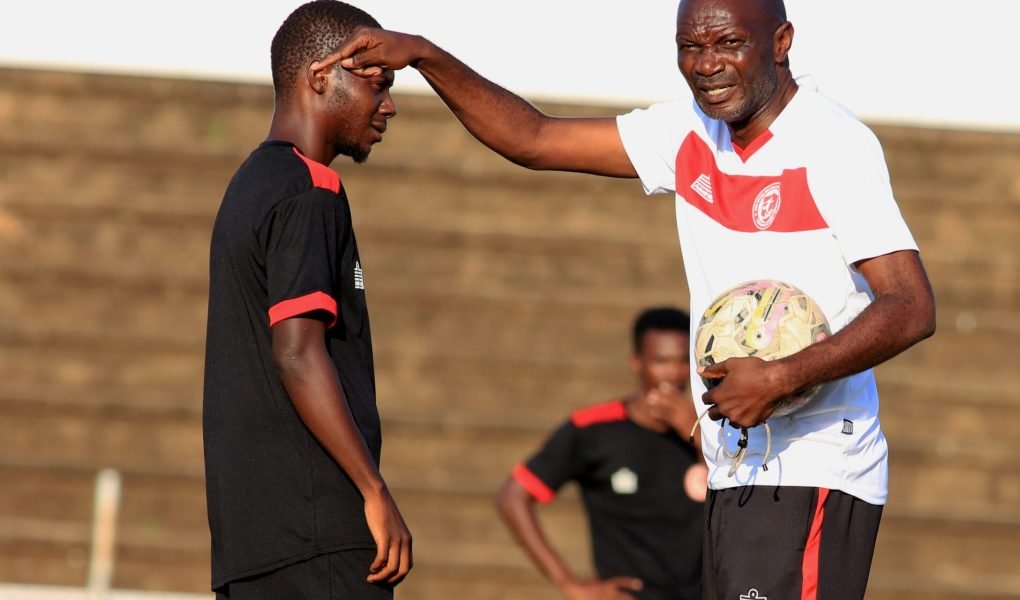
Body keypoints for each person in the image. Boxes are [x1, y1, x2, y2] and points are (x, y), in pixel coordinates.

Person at [313, 0, 937, 597]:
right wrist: (425, 55)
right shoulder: (688, 132)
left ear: (781, 42)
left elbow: (909, 306)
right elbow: (532, 138)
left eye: (728, 43)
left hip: (815, 466)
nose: (707, 64)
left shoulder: (834, 144)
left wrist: (781, 376)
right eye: (689, 47)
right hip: (735, 468)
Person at [202, 2, 412, 598]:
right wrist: (373, 490)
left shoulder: (250, 183)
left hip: (251, 542)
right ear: (321, 77)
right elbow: (296, 351)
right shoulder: (310, 188)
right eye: (379, 85)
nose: (389, 105)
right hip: (319, 531)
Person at [496, 307, 706, 600]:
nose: (673, 372)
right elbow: (513, 497)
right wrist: (570, 584)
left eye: (684, 361)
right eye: (661, 361)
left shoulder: (715, 433)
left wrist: (698, 435)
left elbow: (731, 501)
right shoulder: (592, 429)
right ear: (637, 362)